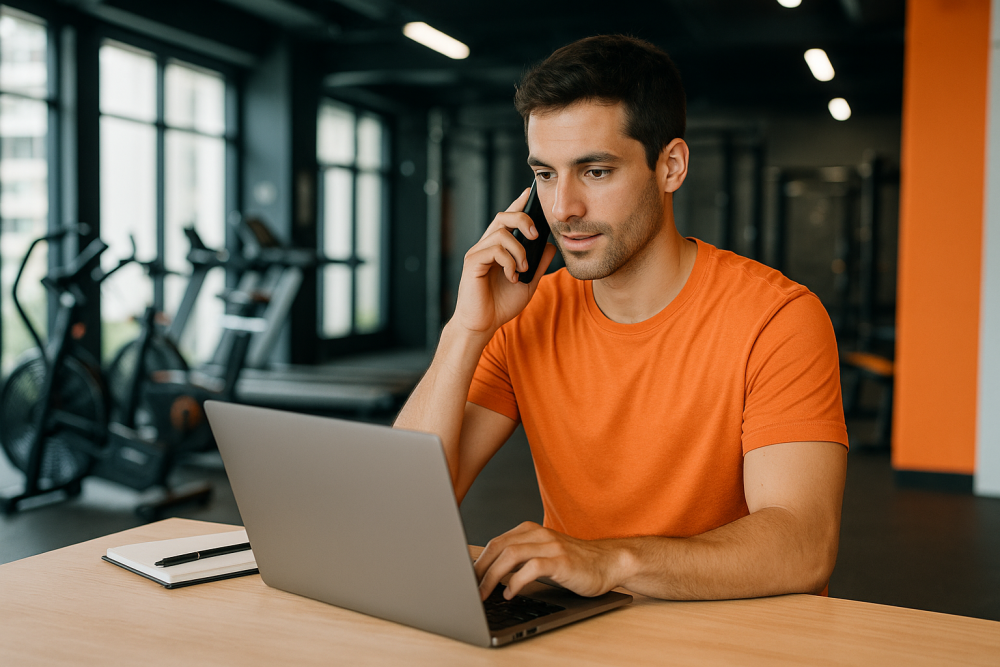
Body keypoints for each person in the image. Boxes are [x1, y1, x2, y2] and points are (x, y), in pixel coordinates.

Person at [394, 34, 848, 602]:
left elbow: (802, 544)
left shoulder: (777, 319)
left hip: (734, 635)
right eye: (546, 174)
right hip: (585, 629)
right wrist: (465, 331)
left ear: (671, 167)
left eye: (596, 171)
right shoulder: (529, 314)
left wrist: (609, 558)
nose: (563, 209)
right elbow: (403, 515)